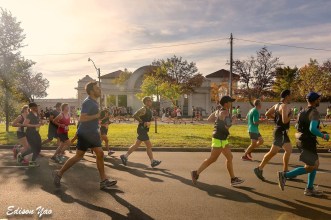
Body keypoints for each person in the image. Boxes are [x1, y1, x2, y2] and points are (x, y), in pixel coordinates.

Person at [52, 82, 117, 190]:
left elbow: (93, 118)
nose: (99, 90)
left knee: (100, 154)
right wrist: (97, 115)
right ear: (91, 91)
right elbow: (82, 118)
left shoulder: (94, 102)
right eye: (97, 88)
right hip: (85, 133)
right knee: (78, 156)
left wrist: (100, 119)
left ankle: (103, 181)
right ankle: (59, 174)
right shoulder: (88, 102)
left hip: (94, 133)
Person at [278, 92, 329, 196]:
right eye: (319, 99)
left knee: (312, 164)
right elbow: (312, 129)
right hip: (308, 142)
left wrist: (315, 129)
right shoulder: (314, 112)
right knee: (313, 166)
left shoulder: (302, 111)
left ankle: (309, 188)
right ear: (315, 100)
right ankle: (286, 175)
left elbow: (298, 126)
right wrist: (323, 135)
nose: (320, 100)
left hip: (302, 140)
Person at [191, 96, 245, 186]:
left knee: (229, 157)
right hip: (219, 138)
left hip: (222, 138)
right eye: (230, 102)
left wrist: (218, 121)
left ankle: (233, 179)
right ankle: (195, 173)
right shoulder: (225, 112)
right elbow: (227, 126)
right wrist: (233, 120)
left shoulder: (218, 111)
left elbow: (209, 120)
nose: (231, 104)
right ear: (226, 103)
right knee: (212, 159)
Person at [254, 90, 293, 181]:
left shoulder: (277, 105)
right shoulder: (284, 106)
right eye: (290, 95)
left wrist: (275, 119)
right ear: (287, 96)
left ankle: (285, 171)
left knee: (288, 150)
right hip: (280, 132)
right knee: (273, 152)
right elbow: (284, 121)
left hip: (281, 131)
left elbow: (267, 113)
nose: (291, 97)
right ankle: (259, 168)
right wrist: (291, 115)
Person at [120, 96, 161, 168]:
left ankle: (125, 156)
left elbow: (147, 118)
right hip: (142, 129)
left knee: (136, 145)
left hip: (144, 129)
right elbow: (135, 115)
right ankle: (152, 161)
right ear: (145, 102)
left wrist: (152, 119)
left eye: (151, 100)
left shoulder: (148, 110)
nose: (150, 101)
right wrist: (143, 122)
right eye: (149, 100)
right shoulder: (143, 109)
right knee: (149, 145)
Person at [17, 103, 43, 167]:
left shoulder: (36, 114)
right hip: (30, 134)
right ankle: (32, 162)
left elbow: (37, 122)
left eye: (36, 106)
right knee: (35, 148)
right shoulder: (30, 115)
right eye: (34, 107)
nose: (35, 108)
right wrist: (35, 125)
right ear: (30, 108)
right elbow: (25, 124)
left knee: (37, 148)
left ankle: (21, 156)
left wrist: (41, 123)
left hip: (36, 133)